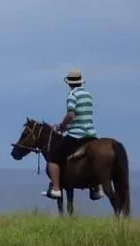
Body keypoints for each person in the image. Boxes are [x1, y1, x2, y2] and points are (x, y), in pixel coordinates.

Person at [45, 68, 104, 201]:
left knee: (53, 158)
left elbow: (71, 115)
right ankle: (97, 187)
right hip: (92, 134)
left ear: (69, 83)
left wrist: (62, 126)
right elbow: (83, 116)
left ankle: (56, 188)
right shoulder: (88, 95)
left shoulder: (72, 95)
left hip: (78, 135)